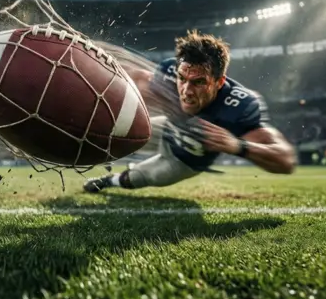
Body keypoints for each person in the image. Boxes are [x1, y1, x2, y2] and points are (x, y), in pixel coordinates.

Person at [83, 30, 296, 193]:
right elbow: (135, 80)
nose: (186, 90)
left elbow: (286, 162)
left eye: (199, 82)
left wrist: (239, 146)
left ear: (219, 82)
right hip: (167, 129)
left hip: (186, 159)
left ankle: (109, 181)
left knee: (139, 178)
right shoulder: (167, 74)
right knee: (110, 133)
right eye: (182, 78)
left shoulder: (238, 106)